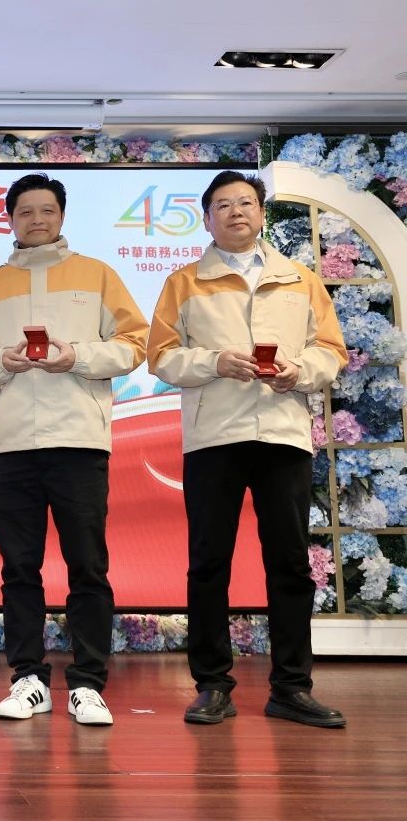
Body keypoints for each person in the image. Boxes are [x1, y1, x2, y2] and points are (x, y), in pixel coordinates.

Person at [149, 170, 348, 728]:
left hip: (283, 434)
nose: (236, 212)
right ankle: (212, 685)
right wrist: (213, 362)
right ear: (206, 218)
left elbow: (331, 350)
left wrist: (299, 370)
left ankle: (292, 687)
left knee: (289, 564)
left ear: (261, 214)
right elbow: (161, 356)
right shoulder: (184, 282)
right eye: (223, 205)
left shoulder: (300, 279)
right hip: (214, 436)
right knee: (208, 563)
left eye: (245, 203)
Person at [0, 172, 148, 726]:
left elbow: (134, 344)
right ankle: (28, 679)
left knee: (87, 566)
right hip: (10, 446)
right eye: (25, 212)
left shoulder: (97, 274)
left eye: (46, 211)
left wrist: (78, 357)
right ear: (10, 219)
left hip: (79, 442)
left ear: (61, 216)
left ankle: (88, 683)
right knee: (19, 569)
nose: (36, 220)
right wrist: (3, 361)